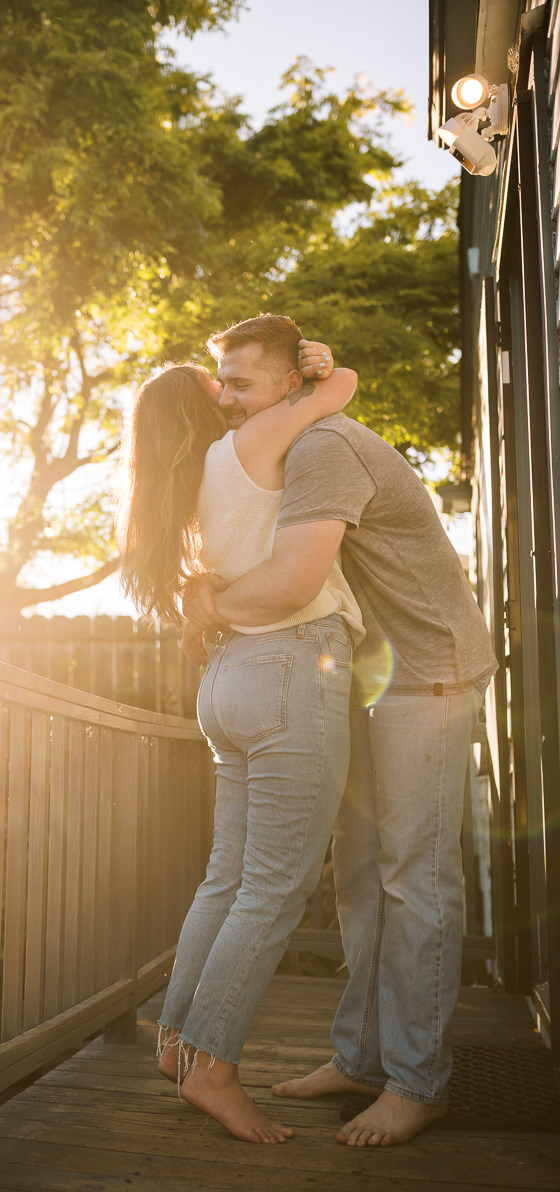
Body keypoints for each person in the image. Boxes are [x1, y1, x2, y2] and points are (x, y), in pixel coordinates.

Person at [182, 313, 497, 1148]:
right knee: (358, 875)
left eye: (242, 384)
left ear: (292, 386)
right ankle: (361, 1057)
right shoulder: (285, 446)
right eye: (221, 383)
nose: (225, 399)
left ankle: (418, 1081)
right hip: (369, 675)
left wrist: (208, 607)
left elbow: (293, 581)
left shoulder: (321, 448)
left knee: (415, 878)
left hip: (428, 669)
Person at [115, 329, 365, 1144]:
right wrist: (313, 365)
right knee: (274, 888)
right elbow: (340, 387)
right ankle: (214, 1070)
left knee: (227, 877)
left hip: (225, 681)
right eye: (216, 388)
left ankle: (177, 1042)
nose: (229, 396)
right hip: (291, 667)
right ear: (204, 411)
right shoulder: (249, 446)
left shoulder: (181, 492)